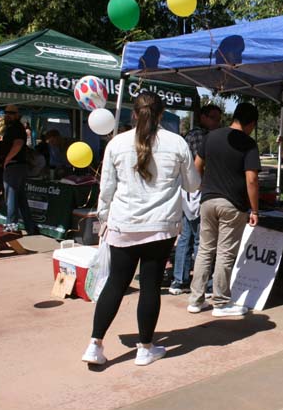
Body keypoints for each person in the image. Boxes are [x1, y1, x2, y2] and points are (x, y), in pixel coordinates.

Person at [82, 91, 200, 366]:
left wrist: (103, 219)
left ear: (134, 114)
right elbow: (192, 185)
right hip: (160, 226)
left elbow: (106, 189)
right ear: (160, 114)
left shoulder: (116, 143)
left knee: (116, 283)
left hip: (124, 224)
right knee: (149, 286)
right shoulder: (177, 143)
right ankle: (145, 347)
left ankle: (95, 343)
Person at [187, 102, 261, 317]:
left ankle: (195, 300)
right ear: (251, 123)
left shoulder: (211, 136)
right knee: (225, 253)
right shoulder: (248, 143)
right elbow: (252, 179)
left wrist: (203, 187)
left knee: (204, 250)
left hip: (207, 200)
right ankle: (220, 302)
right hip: (232, 205)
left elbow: (197, 165)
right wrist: (254, 210)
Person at [167, 104, 222, 295]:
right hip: (198, 191)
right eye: (214, 118)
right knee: (201, 239)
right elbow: (201, 165)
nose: (217, 122)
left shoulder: (189, 135)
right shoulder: (201, 136)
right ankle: (202, 283)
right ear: (204, 117)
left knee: (186, 238)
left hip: (186, 191)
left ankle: (179, 280)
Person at [1, 106, 37, 233]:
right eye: (6, 113)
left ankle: (11, 224)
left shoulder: (16, 127)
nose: (7, 115)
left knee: (11, 195)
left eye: (10, 113)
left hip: (14, 165)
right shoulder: (13, 127)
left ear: (17, 115)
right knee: (20, 197)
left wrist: (7, 159)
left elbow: (18, 144)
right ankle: (30, 226)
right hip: (18, 166)